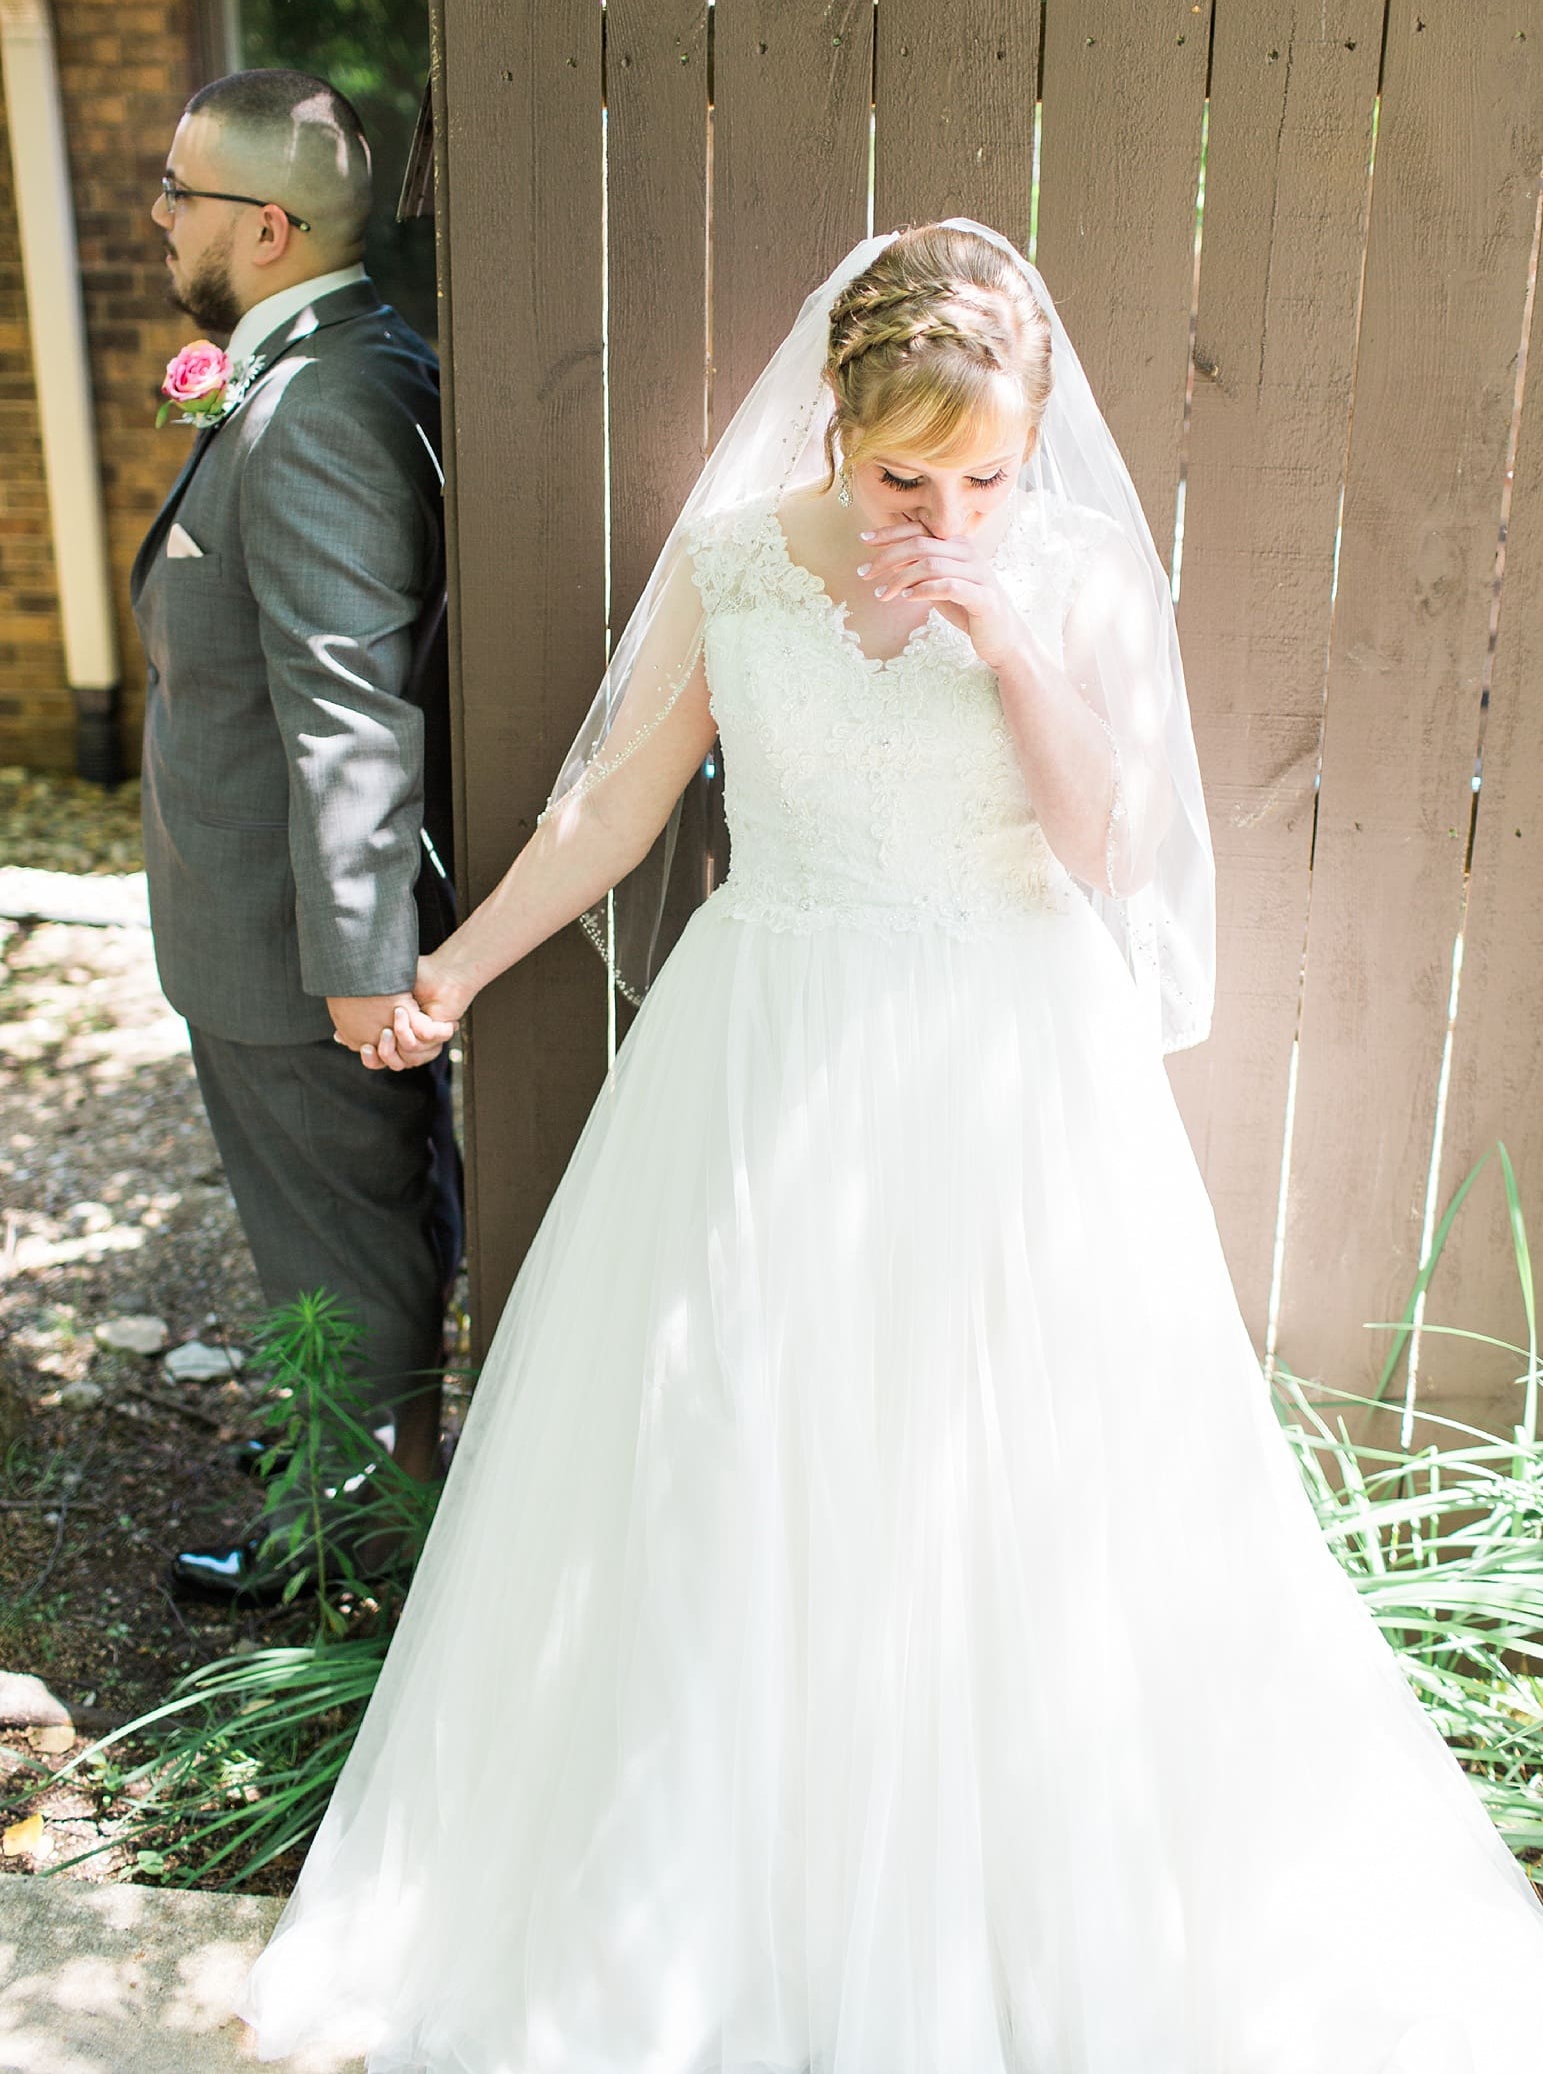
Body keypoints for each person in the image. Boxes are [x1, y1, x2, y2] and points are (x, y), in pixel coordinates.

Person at [242, 222, 1543, 2071]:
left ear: (1032, 450)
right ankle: (720, 1906)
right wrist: (443, 970)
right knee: (735, 1460)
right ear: (835, 432)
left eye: (985, 475)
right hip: (766, 1048)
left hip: (1008, 1073)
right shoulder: (738, 567)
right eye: (901, 473)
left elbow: (1111, 852)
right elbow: (614, 808)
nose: (944, 505)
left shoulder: (1076, 576)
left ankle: (1007, 1917)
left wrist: (1005, 630)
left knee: (1011, 1479)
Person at [131, 68, 462, 1599]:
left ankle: (362, 1540)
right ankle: (353, 1459)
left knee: (346, 1239)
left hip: (291, 935)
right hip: (254, 909)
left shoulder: (322, 403)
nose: (156, 212)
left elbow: (349, 700)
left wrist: (356, 957)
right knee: (334, 1228)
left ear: (263, 227)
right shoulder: (314, 363)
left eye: (179, 192)